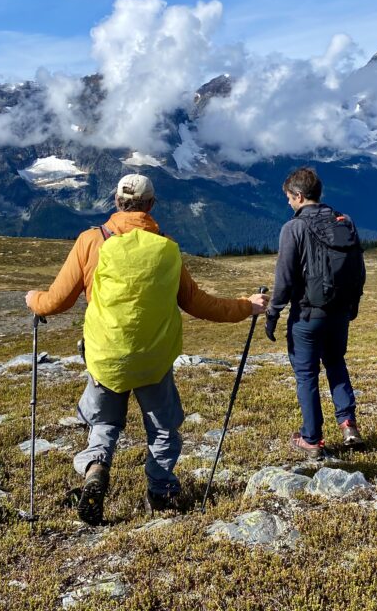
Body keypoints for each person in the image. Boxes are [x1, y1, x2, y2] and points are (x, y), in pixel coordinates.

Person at [25, 173, 268, 525]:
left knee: (105, 421)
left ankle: (96, 469)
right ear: (151, 205)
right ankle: (161, 489)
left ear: (115, 202)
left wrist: (34, 300)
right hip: (154, 357)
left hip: (106, 355)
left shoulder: (91, 241)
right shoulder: (166, 247)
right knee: (164, 426)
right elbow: (199, 304)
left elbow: (56, 302)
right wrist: (247, 305)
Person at [264, 166, 365, 458]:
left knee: (307, 375)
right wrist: (352, 304)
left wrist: (273, 314)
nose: (288, 203)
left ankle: (312, 439)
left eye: (288, 198)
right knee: (335, 363)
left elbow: (284, 279)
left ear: (298, 195)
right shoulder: (344, 222)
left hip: (307, 315)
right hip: (340, 312)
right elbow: (358, 267)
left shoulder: (293, 228)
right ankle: (348, 425)